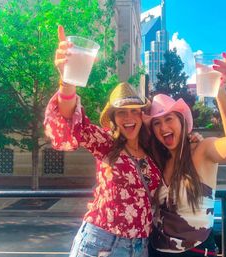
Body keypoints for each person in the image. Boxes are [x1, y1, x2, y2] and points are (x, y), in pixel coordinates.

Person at [44, 25, 162, 257]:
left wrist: (193, 137)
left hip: (141, 245)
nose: (128, 117)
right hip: (103, 242)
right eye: (121, 112)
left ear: (141, 115)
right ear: (114, 119)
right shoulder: (106, 143)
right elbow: (72, 123)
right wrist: (67, 79)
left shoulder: (152, 150)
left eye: (134, 111)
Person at [143, 53, 226, 257]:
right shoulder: (158, 161)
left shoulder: (202, 150)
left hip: (196, 251)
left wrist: (220, 91)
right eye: (156, 122)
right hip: (155, 250)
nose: (163, 127)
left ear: (182, 121)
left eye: (169, 118)